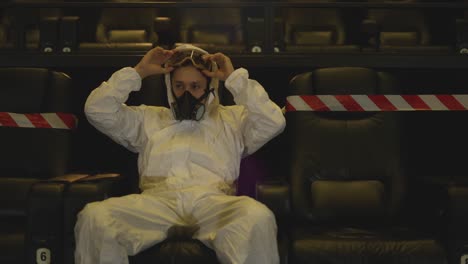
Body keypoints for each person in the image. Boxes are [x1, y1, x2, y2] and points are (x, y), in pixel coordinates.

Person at [75, 44, 286, 264]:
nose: (186, 93)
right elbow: (97, 109)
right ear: (169, 86)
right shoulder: (149, 118)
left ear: (210, 86)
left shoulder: (233, 120)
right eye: (179, 86)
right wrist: (139, 71)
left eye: (195, 86)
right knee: (95, 217)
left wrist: (234, 79)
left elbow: (273, 122)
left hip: (213, 203)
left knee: (257, 217)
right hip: (157, 202)